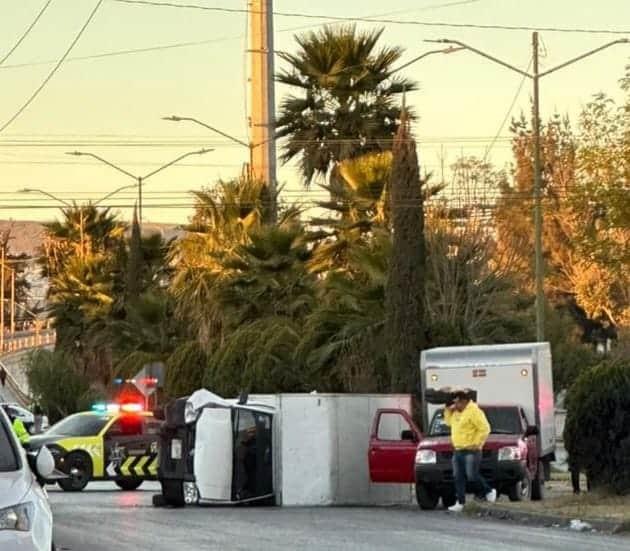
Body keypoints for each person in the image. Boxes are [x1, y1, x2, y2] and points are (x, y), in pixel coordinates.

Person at [444, 389, 496, 512]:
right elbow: (448, 423)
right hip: (458, 449)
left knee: (471, 475)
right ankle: (460, 502)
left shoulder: (474, 412)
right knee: (458, 477)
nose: (455, 405)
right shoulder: (456, 412)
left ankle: (488, 490)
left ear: (465, 401)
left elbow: (485, 428)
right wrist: (448, 410)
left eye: (457, 403)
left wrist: (477, 443)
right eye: (454, 403)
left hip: (471, 450)